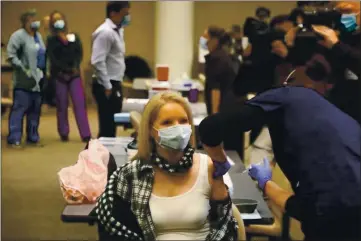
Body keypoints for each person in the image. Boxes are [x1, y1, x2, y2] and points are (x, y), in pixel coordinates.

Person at [198, 73, 360, 240]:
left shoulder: (285, 96)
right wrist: (266, 183)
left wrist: (220, 163)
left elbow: (210, 127)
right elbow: (304, 210)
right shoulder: (340, 122)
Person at [95, 92, 238, 241]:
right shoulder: (132, 174)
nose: (177, 128)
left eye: (183, 121)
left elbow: (225, 226)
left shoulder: (209, 167)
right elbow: (118, 232)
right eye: (167, 122)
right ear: (150, 130)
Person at [46, 11, 91, 142]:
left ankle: (85, 134)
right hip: (59, 75)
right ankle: (63, 132)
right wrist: (62, 69)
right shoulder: (51, 39)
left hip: (74, 74)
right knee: (62, 105)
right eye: (55, 20)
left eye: (60, 19)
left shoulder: (73, 35)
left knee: (79, 104)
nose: (58, 22)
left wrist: (74, 66)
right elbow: (52, 57)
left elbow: (79, 53)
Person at [6, 9, 46, 148]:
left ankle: (33, 137)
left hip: (37, 81)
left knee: (35, 110)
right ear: (25, 21)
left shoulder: (38, 36)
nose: (35, 21)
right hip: (23, 80)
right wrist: (23, 69)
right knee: (20, 108)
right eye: (31, 19)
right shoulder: (18, 36)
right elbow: (11, 55)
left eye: (35, 18)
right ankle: (14, 138)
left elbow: (41, 53)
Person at [91, 1, 130, 138]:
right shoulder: (105, 32)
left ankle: (107, 155)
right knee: (107, 126)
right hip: (106, 84)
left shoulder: (118, 30)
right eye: (125, 13)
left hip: (115, 81)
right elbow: (97, 60)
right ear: (113, 13)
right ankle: (98, 156)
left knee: (112, 124)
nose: (127, 17)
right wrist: (107, 86)